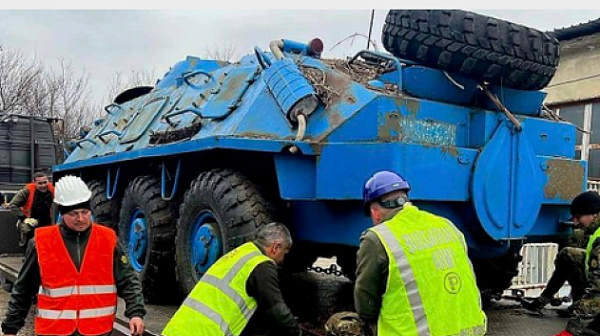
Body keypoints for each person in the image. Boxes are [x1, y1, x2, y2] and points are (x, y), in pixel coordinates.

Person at [1, 175, 146, 336]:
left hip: (97, 330)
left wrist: (136, 313)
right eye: (73, 213)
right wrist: (10, 328)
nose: (81, 219)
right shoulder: (41, 242)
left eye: (85, 212)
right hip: (54, 331)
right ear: (62, 213)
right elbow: (24, 289)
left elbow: (128, 280)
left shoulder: (108, 239)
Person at [352, 170, 486, 336]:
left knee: (341, 324)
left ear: (375, 213)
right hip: (470, 331)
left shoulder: (377, 238)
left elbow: (366, 306)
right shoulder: (447, 225)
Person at [162, 222, 302, 336]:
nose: (282, 259)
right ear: (275, 247)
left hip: (176, 330)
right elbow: (277, 311)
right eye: (284, 253)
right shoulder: (261, 265)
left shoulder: (241, 252)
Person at [523, 191, 600, 315]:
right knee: (568, 255)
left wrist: (575, 327)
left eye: (578, 217)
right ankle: (548, 299)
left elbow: (597, 287)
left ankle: (582, 307)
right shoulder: (592, 230)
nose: (575, 223)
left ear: (593, 214)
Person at [8, 172, 55, 247]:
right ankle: (27, 253)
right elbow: (13, 206)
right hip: (30, 219)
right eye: (40, 183)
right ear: (34, 183)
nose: (43, 185)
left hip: (47, 220)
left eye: (45, 182)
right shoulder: (26, 191)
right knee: (26, 229)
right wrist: (24, 218)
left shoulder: (53, 189)